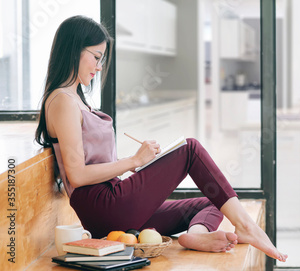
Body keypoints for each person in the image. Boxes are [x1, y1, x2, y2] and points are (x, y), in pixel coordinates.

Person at [35, 15, 287, 262]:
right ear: (74, 50)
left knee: (210, 201)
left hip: (112, 201)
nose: (99, 67)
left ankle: (196, 235)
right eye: (96, 57)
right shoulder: (62, 101)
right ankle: (245, 225)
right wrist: (134, 161)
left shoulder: (75, 99)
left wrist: (134, 163)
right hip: (103, 206)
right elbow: (77, 175)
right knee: (190, 149)